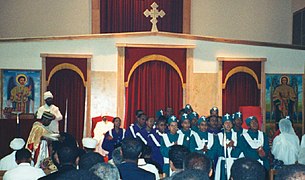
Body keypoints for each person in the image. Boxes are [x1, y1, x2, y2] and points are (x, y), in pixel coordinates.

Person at [215, 113, 241, 180]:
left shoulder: (237, 135)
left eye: (229, 122)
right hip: (223, 161)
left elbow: (240, 148)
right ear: (223, 125)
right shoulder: (219, 135)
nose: (228, 124)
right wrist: (225, 147)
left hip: (234, 161)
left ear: (232, 124)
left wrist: (233, 147)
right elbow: (217, 150)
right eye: (226, 123)